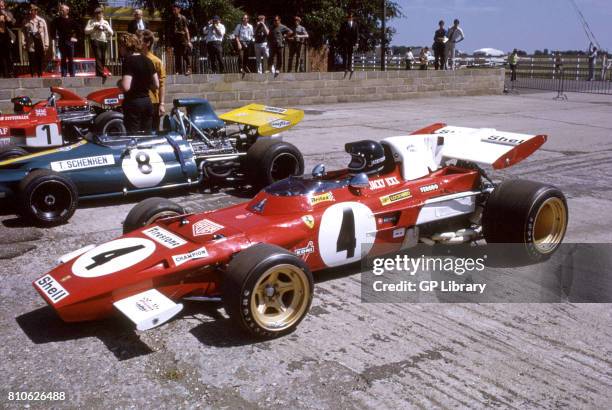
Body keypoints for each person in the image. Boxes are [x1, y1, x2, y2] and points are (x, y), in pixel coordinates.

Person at [119, 33, 158, 134]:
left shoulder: (128, 61)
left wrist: (119, 83)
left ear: (125, 46)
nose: (119, 49)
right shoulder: (148, 60)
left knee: (133, 137)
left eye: (120, 46)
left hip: (133, 104)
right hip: (147, 102)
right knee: (147, 137)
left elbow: (126, 87)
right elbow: (156, 85)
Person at [140, 30, 165, 131]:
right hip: (138, 101)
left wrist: (162, 104)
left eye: (140, 40)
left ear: (148, 43)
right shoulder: (134, 58)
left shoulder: (157, 61)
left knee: (153, 132)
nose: (137, 42)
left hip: (153, 102)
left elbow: (162, 84)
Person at [85, 7, 113, 82]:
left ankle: (99, 73)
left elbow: (111, 32)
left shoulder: (106, 22)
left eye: (100, 13)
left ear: (102, 14)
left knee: (103, 57)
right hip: (95, 40)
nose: (98, 15)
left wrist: (105, 28)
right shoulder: (91, 21)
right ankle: (101, 73)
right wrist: (94, 28)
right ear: (95, 14)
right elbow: (86, 31)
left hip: (104, 41)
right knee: (98, 56)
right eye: (97, 13)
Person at [52, 4, 78, 77]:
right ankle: (64, 75)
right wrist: (54, 37)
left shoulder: (72, 21)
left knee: (71, 59)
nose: (61, 11)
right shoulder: (57, 20)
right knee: (63, 58)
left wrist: (75, 38)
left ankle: (72, 75)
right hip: (61, 42)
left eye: (62, 9)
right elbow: (52, 28)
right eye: (60, 9)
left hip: (70, 42)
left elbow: (79, 29)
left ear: (67, 11)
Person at [23, 5, 49, 78]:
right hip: (30, 42)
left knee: (39, 59)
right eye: (30, 10)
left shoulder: (41, 20)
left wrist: (46, 44)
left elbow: (46, 33)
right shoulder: (25, 21)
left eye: (33, 10)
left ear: (36, 11)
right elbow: (23, 33)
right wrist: (23, 43)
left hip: (40, 42)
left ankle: (40, 74)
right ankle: (32, 75)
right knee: (32, 59)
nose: (31, 12)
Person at [167, 4, 191, 75]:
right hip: (175, 39)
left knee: (185, 53)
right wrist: (169, 41)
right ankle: (178, 70)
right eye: (173, 10)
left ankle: (189, 68)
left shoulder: (183, 18)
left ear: (179, 10)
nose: (173, 11)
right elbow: (169, 30)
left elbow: (186, 29)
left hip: (182, 38)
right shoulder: (171, 18)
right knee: (177, 55)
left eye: (175, 9)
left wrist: (188, 40)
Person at [0, 0, 15, 78]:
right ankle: (3, 74)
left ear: (4, 6)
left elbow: (13, 23)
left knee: (9, 55)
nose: (1, 8)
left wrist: (6, 16)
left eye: (2, 6)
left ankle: (11, 73)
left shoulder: (8, 13)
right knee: (1, 57)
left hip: (6, 36)